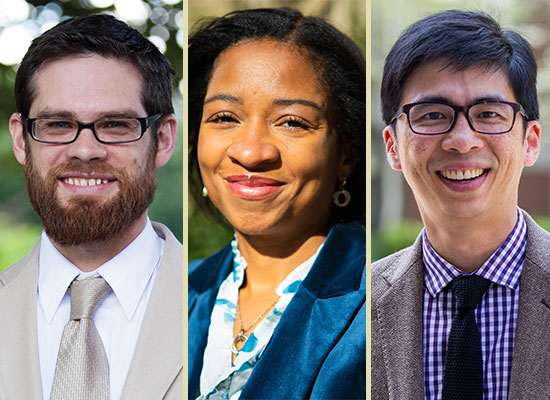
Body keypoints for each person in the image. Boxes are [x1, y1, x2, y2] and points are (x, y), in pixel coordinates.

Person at [0, 14, 182, 400]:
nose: (85, 150)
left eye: (116, 124)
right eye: (58, 124)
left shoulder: (214, 303)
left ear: (163, 140)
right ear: (21, 139)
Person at [188, 7, 366, 399]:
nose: (251, 152)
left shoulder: (382, 301)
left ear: (346, 157)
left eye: (292, 122)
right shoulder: (180, 291)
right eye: (224, 117)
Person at [372, 9, 549, 400]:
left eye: (488, 114)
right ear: (392, 147)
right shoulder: (358, 307)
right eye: (433, 115)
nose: (462, 140)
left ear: (530, 140)